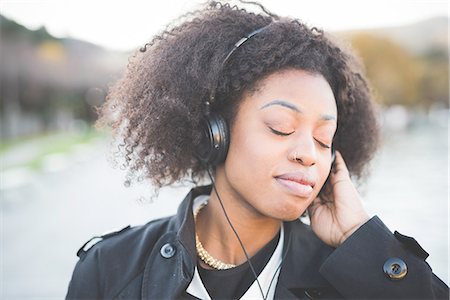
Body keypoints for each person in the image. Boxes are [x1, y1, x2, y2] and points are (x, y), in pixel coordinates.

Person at [66, 1, 449, 299]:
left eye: (323, 139)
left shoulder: (356, 275)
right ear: (214, 132)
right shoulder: (109, 268)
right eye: (281, 127)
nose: (308, 154)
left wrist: (363, 240)